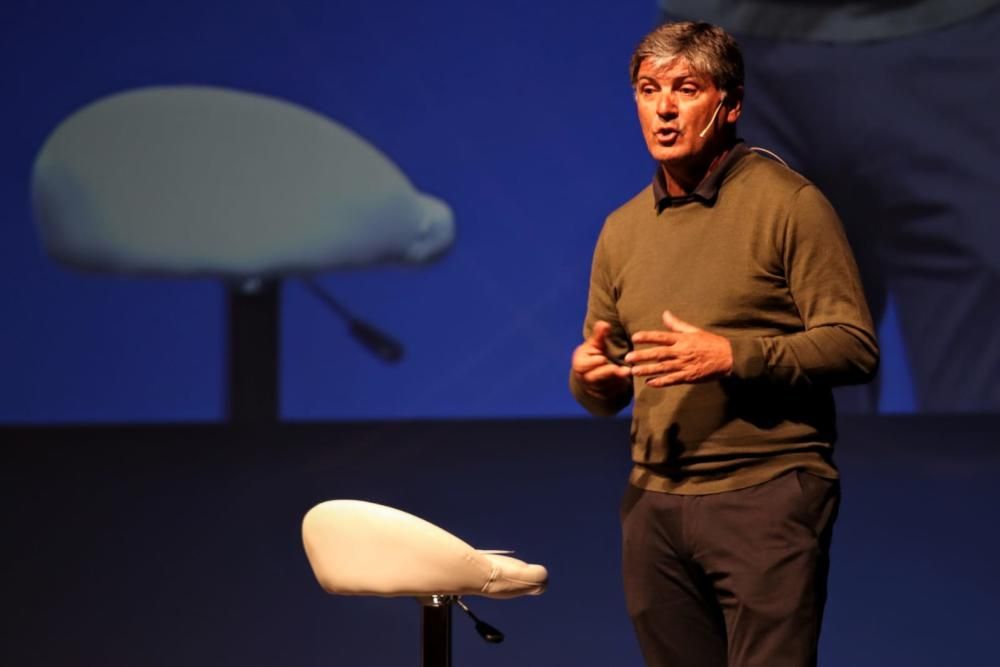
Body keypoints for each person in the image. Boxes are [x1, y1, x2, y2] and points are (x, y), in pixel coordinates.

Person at [569, 22, 879, 667]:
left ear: (729, 104)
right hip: (653, 499)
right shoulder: (621, 230)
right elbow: (608, 371)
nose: (664, 107)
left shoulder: (789, 203)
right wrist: (594, 382)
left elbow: (853, 345)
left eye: (686, 88)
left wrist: (733, 355)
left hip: (764, 493)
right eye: (648, 89)